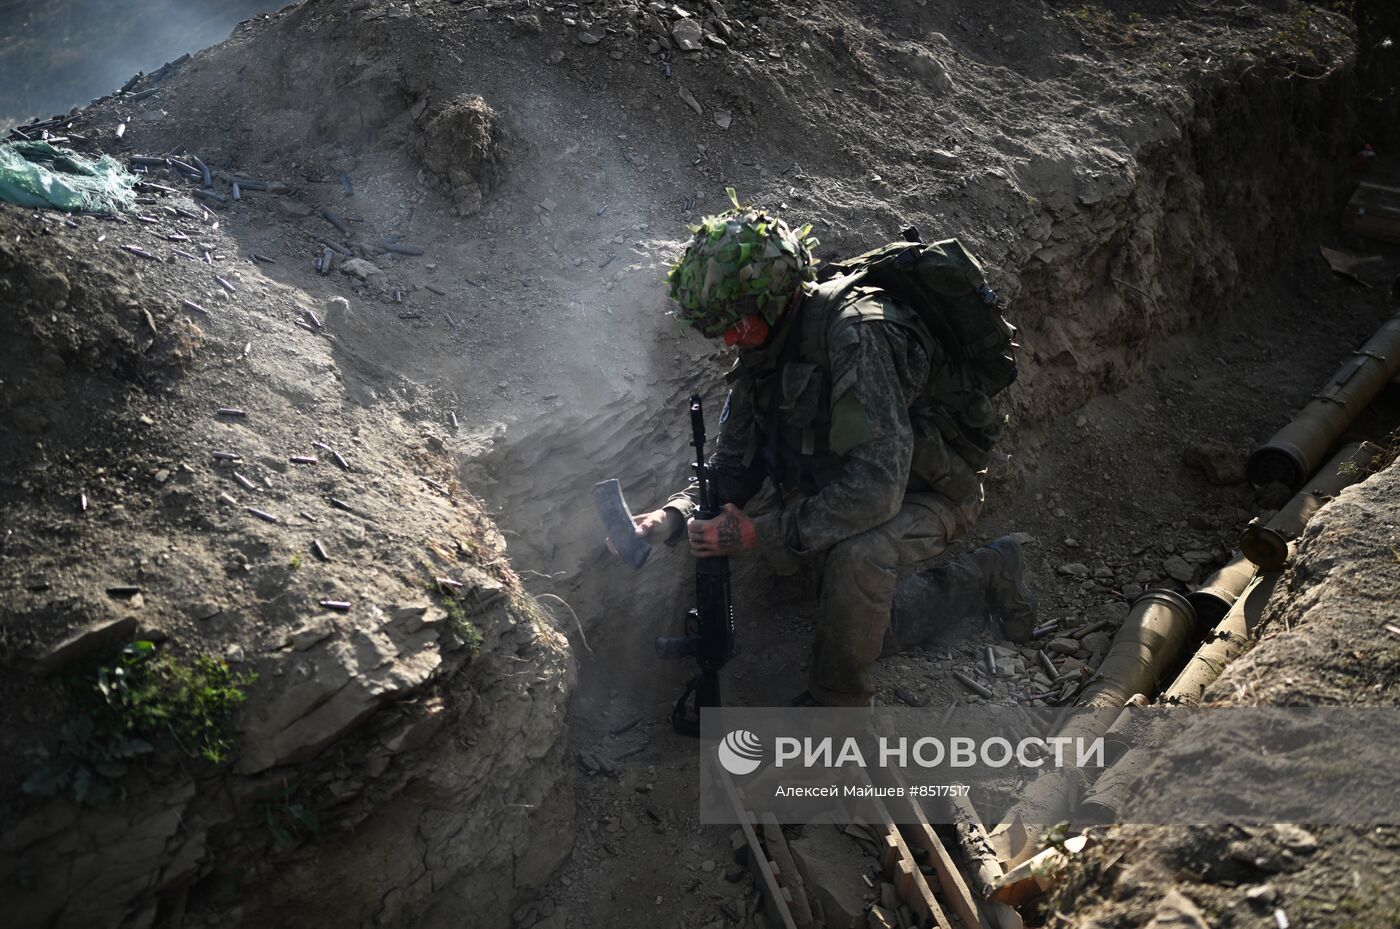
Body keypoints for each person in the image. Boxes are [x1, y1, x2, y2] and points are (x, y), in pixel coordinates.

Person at [627, 197, 1035, 707]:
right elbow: (734, 464)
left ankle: (835, 705)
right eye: (720, 328)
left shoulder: (856, 336)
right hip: (850, 482)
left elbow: (879, 489)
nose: (729, 337)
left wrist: (763, 533)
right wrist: (672, 515)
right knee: (863, 622)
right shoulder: (764, 346)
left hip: (928, 487)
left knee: (857, 559)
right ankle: (971, 580)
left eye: (737, 322)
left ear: (775, 298)